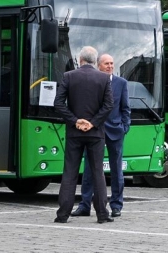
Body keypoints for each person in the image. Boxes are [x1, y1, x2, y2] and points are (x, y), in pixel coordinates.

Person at [53, 46, 115, 224]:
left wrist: (75, 121)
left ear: (80, 60)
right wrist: (93, 122)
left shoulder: (69, 76)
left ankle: (63, 214)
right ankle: (102, 214)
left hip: (74, 133)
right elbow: (109, 105)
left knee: (70, 173)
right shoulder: (104, 78)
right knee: (98, 172)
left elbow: (59, 103)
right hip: (95, 133)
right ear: (95, 61)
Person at [71, 54, 130, 218]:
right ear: (99, 66)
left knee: (116, 169)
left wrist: (124, 127)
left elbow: (125, 108)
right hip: (94, 131)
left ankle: (116, 205)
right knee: (89, 168)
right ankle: (84, 205)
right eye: (106, 64)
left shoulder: (121, 83)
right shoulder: (93, 82)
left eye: (112, 63)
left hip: (115, 132)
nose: (110, 66)